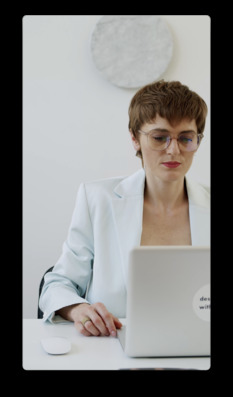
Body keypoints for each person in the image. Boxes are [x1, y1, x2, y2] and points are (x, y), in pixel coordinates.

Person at [39, 80, 210, 337]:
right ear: (135, 139)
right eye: (159, 137)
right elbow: (57, 284)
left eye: (186, 138)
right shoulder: (97, 199)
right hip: (112, 347)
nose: (173, 150)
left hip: (197, 347)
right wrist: (78, 309)